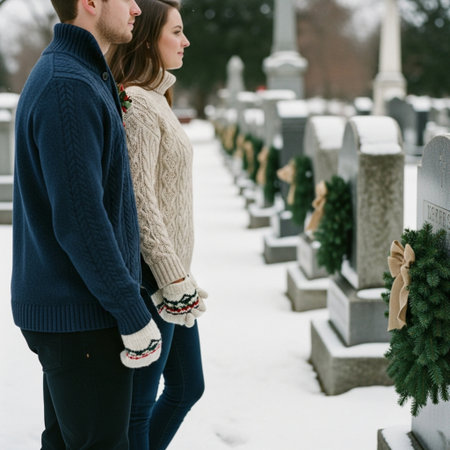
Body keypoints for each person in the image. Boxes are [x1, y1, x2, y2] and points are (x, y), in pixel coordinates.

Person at [11, 0, 164, 448]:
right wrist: (130, 311)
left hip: (78, 313)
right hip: (81, 317)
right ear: (91, 4)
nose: (137, 8)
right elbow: (81, 221)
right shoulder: (67, 85)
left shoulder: (78, 74)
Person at [108, 0, 207, 448]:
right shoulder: (137, 105)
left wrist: (182, 276)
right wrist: (171, 277)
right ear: (148, 39)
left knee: (188, 387)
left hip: (174, 281)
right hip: (154, 280)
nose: (186, 41)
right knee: (138, 409)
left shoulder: (156, 100)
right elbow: (140, 201)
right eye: (177, 32)